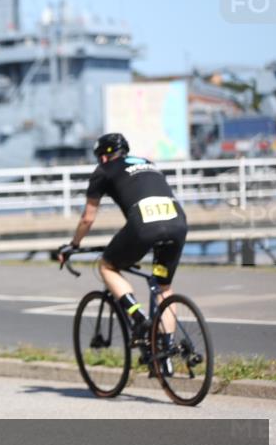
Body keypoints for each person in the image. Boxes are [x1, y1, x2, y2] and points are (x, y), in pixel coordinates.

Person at [58, 133, 188, 369]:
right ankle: (166, 350)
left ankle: (138, 318)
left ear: (104, 156)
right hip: (177, 222)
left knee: (107, 265)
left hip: (145, 225)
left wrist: (73, 245)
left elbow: (87, 218)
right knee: (163, 287)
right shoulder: (148, 164)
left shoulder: (103, 171)